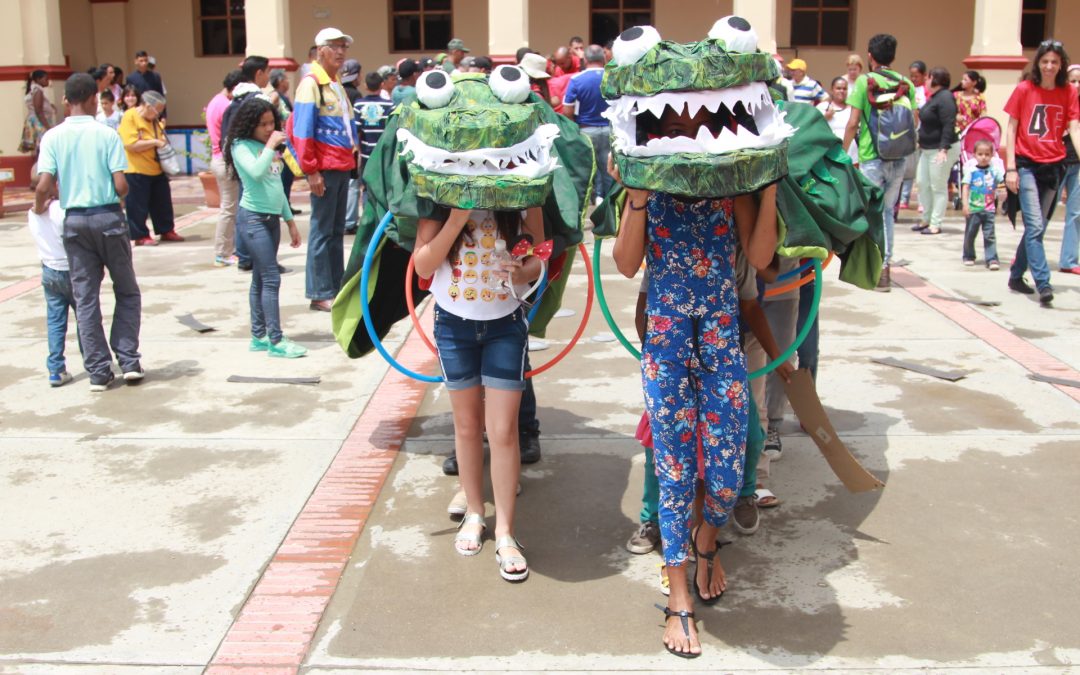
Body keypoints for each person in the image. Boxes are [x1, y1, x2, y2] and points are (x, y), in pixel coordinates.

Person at [610, 105, 778, 654]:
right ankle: (678, 597)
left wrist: (768, 183)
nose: (684, 127)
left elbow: (759, 255)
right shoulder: (648, 184)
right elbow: (627, 264)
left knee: (728, 475)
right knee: (675, 469)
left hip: (721, 336)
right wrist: (636, 194)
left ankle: (708, 540)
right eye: (671, 121)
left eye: (695, 118)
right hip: (666, 342)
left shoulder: (731, 183)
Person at [413, 206, 545, 583]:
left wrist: (524, 270)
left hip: (506, 323)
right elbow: (422, 265)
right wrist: (456, 218)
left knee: (502, 431)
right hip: (453, 324)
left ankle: (505, 531)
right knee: (468, 426)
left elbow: (540, 254)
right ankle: (474, 513)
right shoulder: (440, 189)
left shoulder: (522, 187)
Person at [34, 72, 142, 392]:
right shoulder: (106, 134)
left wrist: (40, 206)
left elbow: (43, 184)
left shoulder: (52, 137)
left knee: (85, 297)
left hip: (75, 222)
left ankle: (98, 371)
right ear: (95, 99)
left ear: (66, 101)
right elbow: (121, 184)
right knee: (126, 289)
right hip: (108, 217)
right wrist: (112, 199)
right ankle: (129, 359)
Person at [225, 97, 307, 359]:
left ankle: (259, 335)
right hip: (253, 219)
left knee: (261, 278)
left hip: (271, 220)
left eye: (272, 123)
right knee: (271, 278)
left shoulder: (266, 146)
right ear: (250, 125)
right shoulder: (241, 146)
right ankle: (275, 339)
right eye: (263, 125)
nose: (269, 129)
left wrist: (290, 222)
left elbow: (276, 188)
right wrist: (271, 146)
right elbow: (257, 173)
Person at [1004, 39, 1080, 307]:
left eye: (1055, 62)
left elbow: (1075, 127)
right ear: (1038, 63)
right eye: (1045, 61)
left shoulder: (1069, 91)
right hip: (1025, 164)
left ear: (1061, 65)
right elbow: (1011, 128)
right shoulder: (1025, 89)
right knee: (1035, 226)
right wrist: (1010, 167)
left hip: (1053, 165)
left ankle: (1015, 275)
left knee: (1039, 228)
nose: (1049, 66)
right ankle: (1043, 282)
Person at [288, 27, 357, 312]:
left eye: (343, 46)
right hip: (325, 169)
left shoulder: (335, 83)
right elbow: (302, 132)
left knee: (336, 230)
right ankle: (319, 293)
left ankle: (334, 285)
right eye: (335, 46)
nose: (341, 52)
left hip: (341, 166)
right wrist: (311, 171)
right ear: (320, 51)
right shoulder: (311, 83)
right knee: (321, 230)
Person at [843, 33, 918, 291]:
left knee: (870, 211)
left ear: (870, 56)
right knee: (887, 212)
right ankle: (885, 268)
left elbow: (853, 122)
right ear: (893, 57)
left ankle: (870, 267)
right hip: (898, 157)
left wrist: (843, 153)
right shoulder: (906, 82)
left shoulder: (865, 82)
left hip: (871, 156)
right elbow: (914, 121)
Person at [28, 173, 77, 387]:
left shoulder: (32, 213)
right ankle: (95, 363)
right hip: (72, 271)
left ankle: (56, 370)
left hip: (48, 271)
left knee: (56, 322)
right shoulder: (62, 211)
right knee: (85, 319)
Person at [119, 90, 181, 246]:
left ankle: (166, 229)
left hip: (156, 167)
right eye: (157, 110)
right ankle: (140, 235)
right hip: (136, 169)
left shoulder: (154, 121)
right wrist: (153, 142)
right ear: (147, 106)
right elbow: (130, 144)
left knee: (162, 202)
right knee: (137, 205)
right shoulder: (130, 116)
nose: (158, 114)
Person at [912, 67, 959, 236]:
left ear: (935, 80)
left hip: (940, 149)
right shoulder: (934, 98)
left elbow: (948, 123)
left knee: (937, 186)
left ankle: (935, 223)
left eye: (928, 78)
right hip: (927, 149)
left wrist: (943, 149)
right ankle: (926, 218)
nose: (926, 81)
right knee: (923, 183)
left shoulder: (945, 97)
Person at [207, 69, 244, 267]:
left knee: (230, 207)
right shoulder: (226, 105)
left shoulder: (215, 101)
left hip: (218, 159)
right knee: (229, 208)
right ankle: (222, 252)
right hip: (224, 160)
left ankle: (227, 250)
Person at [563, 45, 610, 200]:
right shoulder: (613, 77)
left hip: (586, 129)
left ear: (585, 59)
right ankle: (607, 203)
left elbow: (567, 111)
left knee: (589, 169)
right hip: (610, 129)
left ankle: (592, 201)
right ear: (603, 58)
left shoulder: (577, 80)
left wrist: (574, 128)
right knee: (608, 169)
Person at [348, 72, 392, 233]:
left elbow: (357, 130)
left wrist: (358, 150)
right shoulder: (389, 105)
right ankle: (381, 223)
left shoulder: (359, 105)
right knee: (384, 188)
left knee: (366, 188)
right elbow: (391, 130)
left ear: (366, 86)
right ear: (382, 85)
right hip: (383, 156)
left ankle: (368, 221)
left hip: (366, 155)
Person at [961, 139, 1004, 269]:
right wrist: (965, 205)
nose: (983, 157)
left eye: (987, 154)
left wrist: (1002, 201)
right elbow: (965, 187)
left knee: (989, 235)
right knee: (970, 233)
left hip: (989, 209)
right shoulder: (971, 171)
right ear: (974, 155)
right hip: (974, 209)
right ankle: (968, 255)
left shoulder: (994, 171)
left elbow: (1001, 184)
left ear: (992, 155)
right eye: (980, 154)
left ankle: (992, 258)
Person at [1059, 64, 1080, 275]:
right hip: (1056, 162)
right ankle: (1024, 255)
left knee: (1075, 212)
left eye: (1079, 81)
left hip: (1077, 164)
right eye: (1072, 80)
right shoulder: (1059, 101)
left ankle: (1069, 260)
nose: (1076, 85)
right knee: (1042, 213)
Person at [818, 76, 858, 164]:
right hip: (830, 156)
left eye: (844, 89)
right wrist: (825, 117)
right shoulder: (823, 107)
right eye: (838, 88)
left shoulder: (853, 109)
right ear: (832, 90)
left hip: (852, 157)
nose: (842, 91)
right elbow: (813, 127)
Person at [19, 70, 56, 158]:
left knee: (38, 147)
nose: (48, 81)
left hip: (35, 120)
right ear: (38, 79)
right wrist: (48, 127)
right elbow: (38, 110)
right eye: (46, 79)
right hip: (39, 122)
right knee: (43, 146)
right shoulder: (38, 91)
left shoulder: (33, 90)